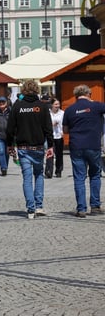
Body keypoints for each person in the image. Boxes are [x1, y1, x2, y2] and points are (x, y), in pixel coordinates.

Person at [6, 79, 54, 219]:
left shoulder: (17, 106)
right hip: (38, 147)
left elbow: (10, 129)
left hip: (23, 147)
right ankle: (39, 206)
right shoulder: (42, 106)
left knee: (27, 178)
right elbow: (48, 128)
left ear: (24, 90)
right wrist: (50, 145)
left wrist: (10, 145)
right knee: (39, 175)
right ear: (37, 90)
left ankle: (30, 209)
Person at [62, 84, 105, 218]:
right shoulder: (97, 106)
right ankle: (95, 206)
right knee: (95, 175)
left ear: (75, 96)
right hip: (93, 145)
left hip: (76, 146)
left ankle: (81, 209)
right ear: (89, 94)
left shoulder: (69, 110)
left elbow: (65, 130)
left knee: (79, 177)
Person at [48, 98, 64, 178]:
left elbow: (64, 124)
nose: (58, 106)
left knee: (59, 154)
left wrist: (63, 131)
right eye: (56, 104)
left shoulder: (62, 113)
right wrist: (51, 124)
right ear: (52, 105)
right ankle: (49, 171)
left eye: (58, 104)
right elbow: (45, 124)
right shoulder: (48, 113)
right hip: (50, 136)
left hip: (59, 136)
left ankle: (58, 170)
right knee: (50, 153)